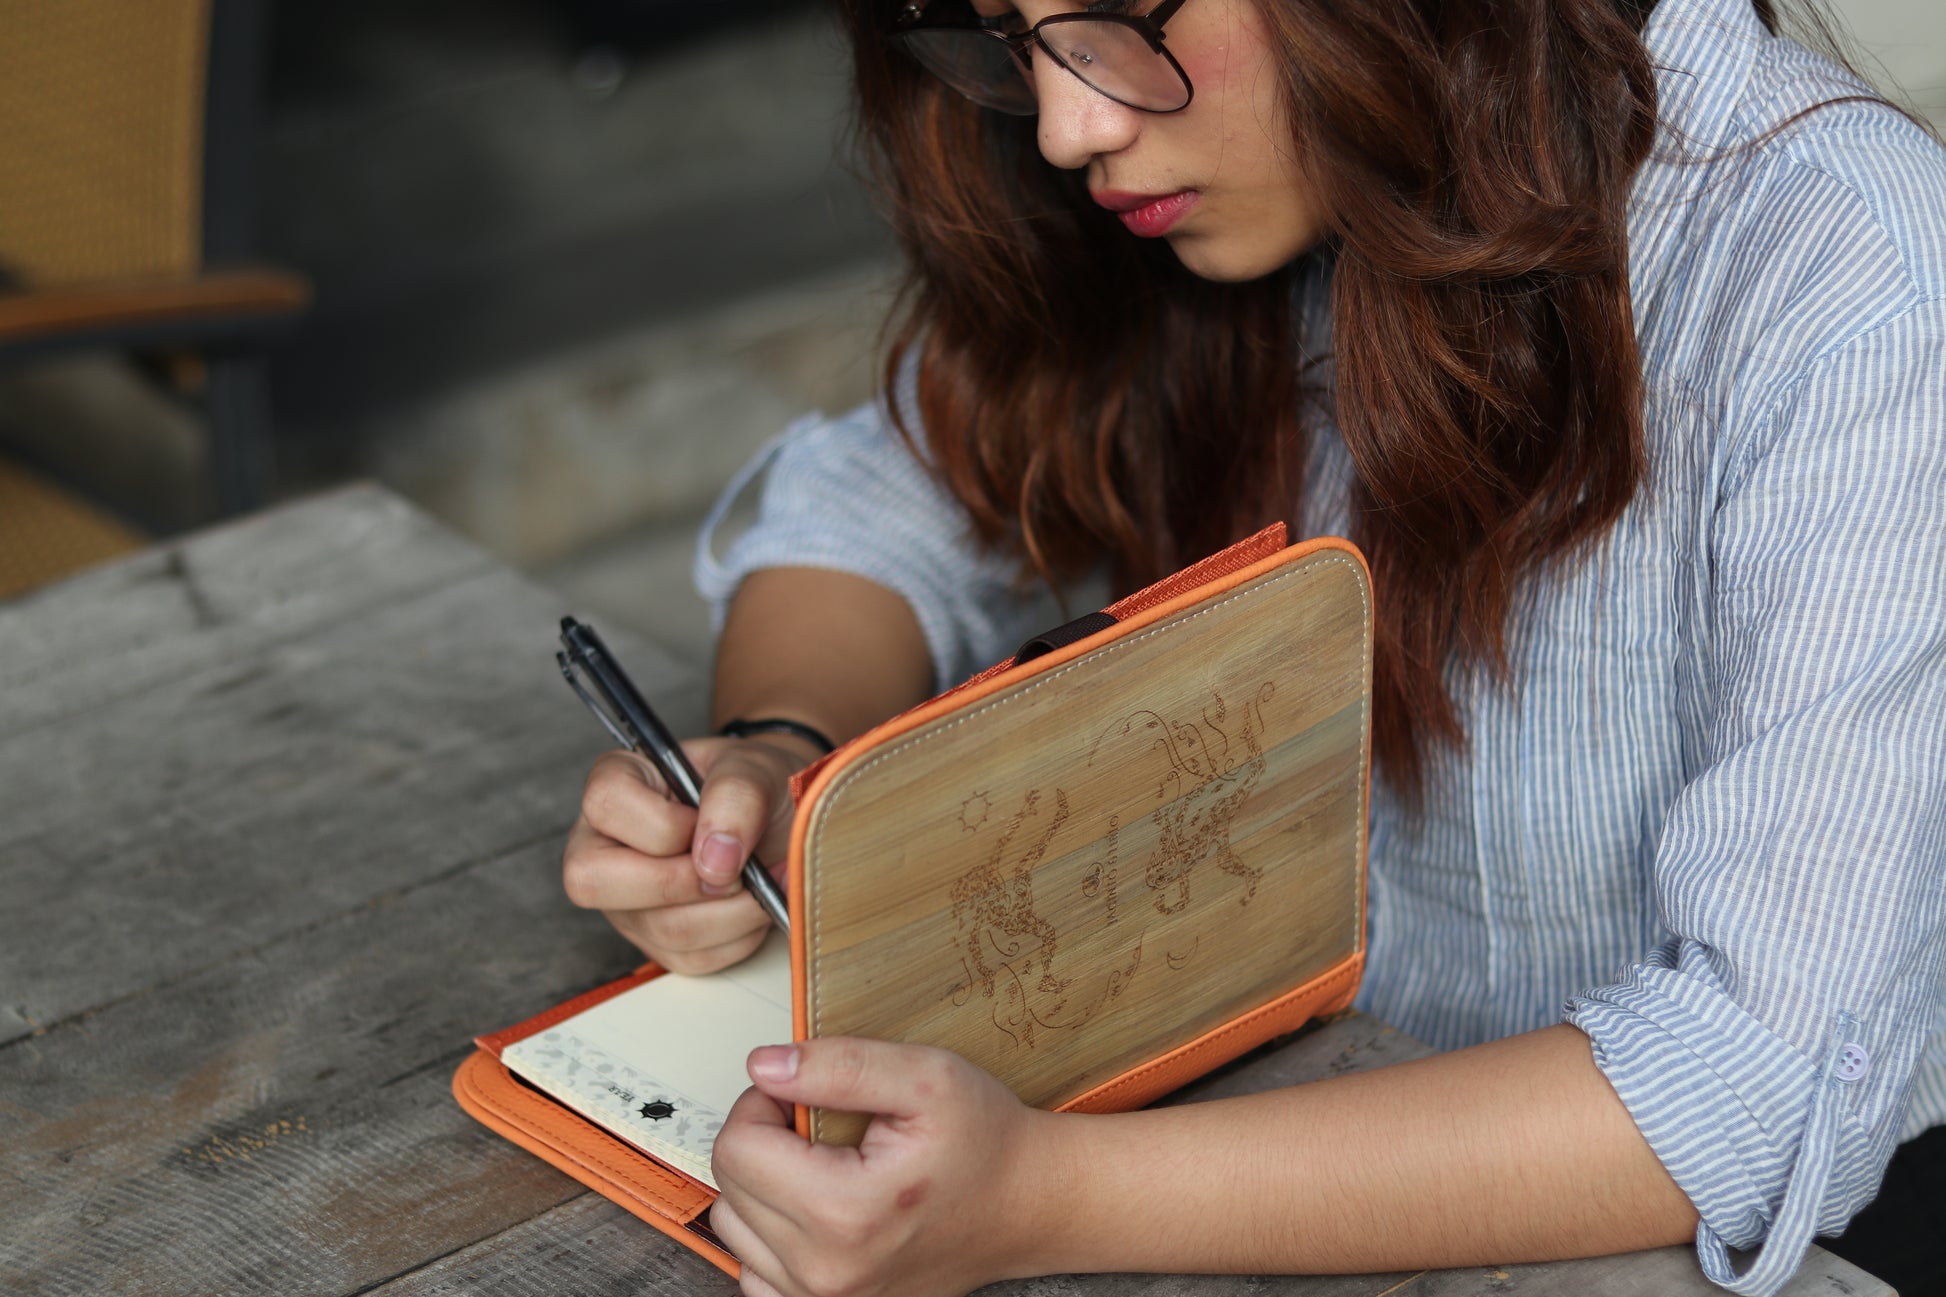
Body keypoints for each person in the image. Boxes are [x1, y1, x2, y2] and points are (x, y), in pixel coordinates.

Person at [559, 0, 1946, 1293]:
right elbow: (883, 508)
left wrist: (1046, 1199)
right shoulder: (1221, 188)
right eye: (1000, 35)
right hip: (1260, 1106)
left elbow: (1748, 1082)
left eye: (1118, 11)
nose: (1065, 126)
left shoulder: (1844, 271)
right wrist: (777, 752)